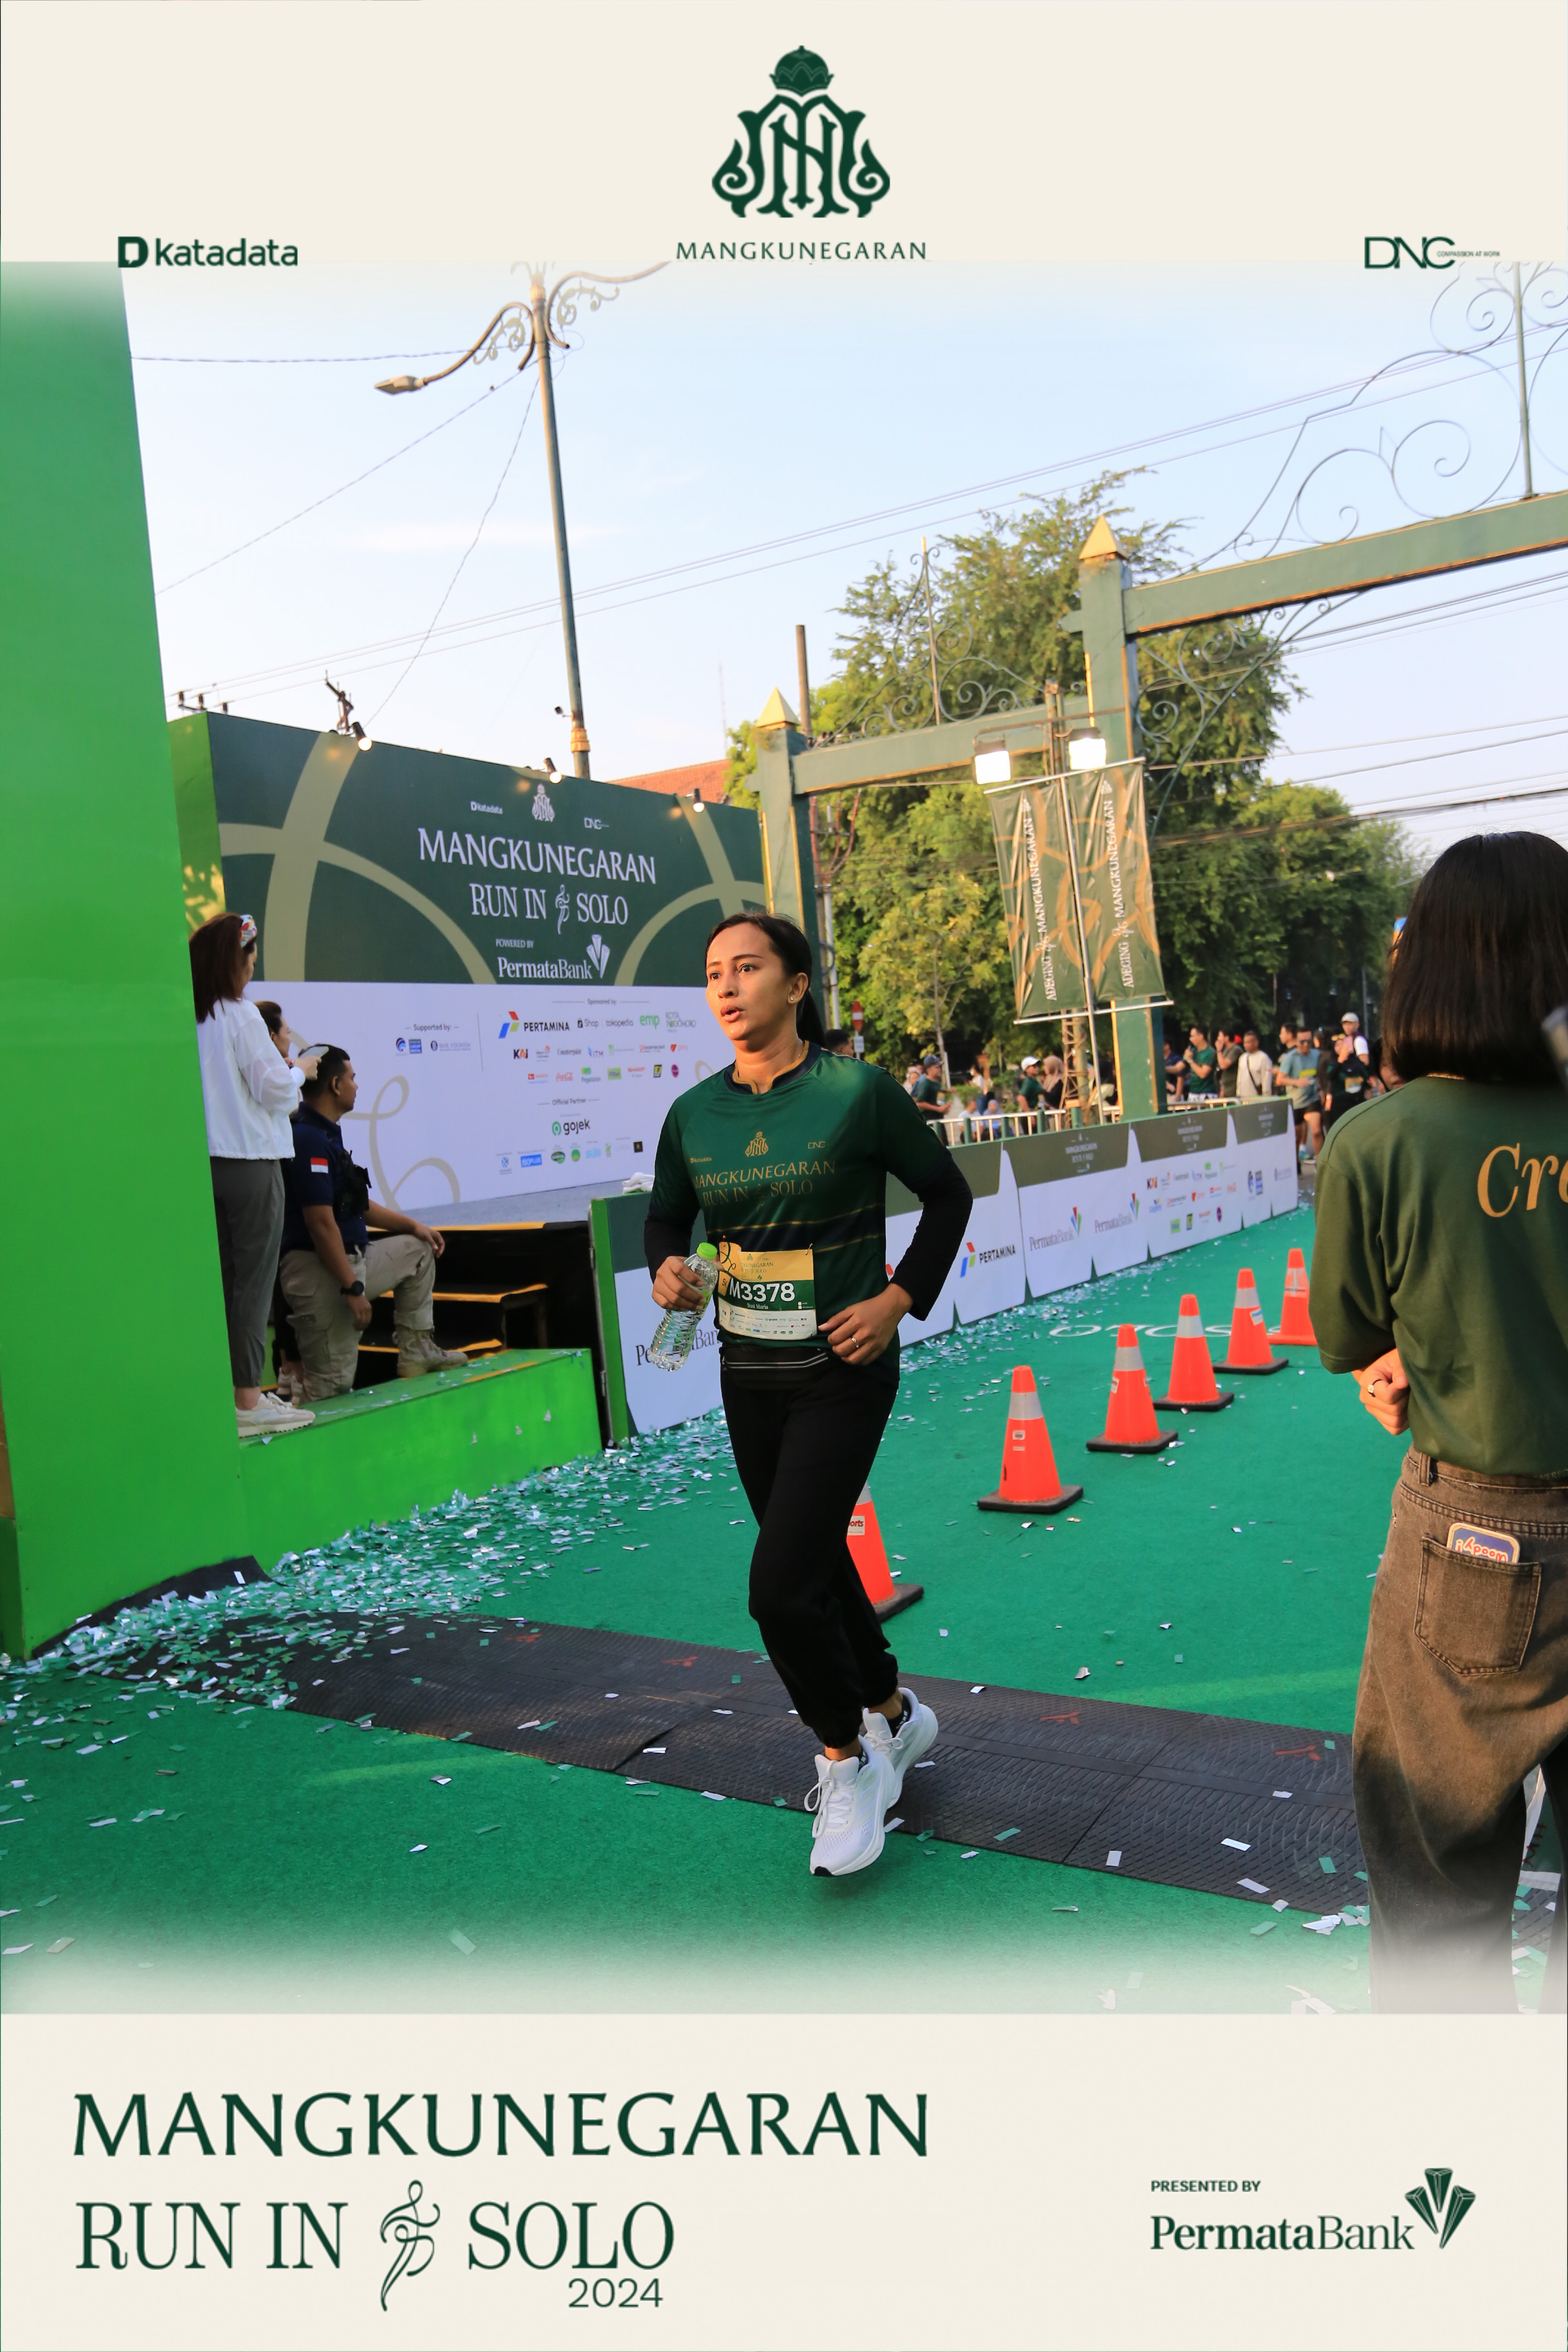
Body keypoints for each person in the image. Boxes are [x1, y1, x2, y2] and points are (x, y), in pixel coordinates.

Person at [645, 914, 972, 1879]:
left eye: (746, 968)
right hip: (748, 1372)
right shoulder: (692, 1114)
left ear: (795, 984)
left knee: (779, 1589)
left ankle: (845, 1758)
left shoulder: (856, 1092)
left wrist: (897, 1300)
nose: (726, 986)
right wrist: (666, 1266)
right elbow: (667, 1216)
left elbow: (948, 1194)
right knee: (816, 1564)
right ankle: (894, 1715)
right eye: (714, 973)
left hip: (844, 1367)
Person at [1311, 832, 1568, 2015]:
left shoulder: (1378, 1140)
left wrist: (1397, 1359)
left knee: (1435, 1894)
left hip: (1478, 1533)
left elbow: (1348, 1333)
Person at [279, 1048, 469, 1400]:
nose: (357, 1085)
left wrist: (413, 1226)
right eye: (352, 1078)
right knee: (330, 1390)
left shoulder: (326, 1133)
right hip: (323, 1273)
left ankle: (417, 1352)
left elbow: (356, 1205)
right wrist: (352, 1288)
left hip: (354, 1263)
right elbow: (320, 1224)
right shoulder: (307, 1138)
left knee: (419, 1250)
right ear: (336, 1085)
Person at [190, 912, 315, 1437]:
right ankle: (247, 1401)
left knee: (225, 1282)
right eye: (249, 959)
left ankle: (232, 1394)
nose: (251, 968)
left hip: (206, 1165)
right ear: (231, 960)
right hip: (251, 1162)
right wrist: (299, 1072)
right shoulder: (240, 1015)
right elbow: (276, 1091)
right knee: (254, 1284)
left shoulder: (191, 1017)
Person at [254, 1001, 308, 1406]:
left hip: (273, 1173)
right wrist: (300, 1073)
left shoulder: (272, 1069)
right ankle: (290, 1369)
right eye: (286, 1031)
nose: (290, 1037)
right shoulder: (271, 1074)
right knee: (278, 1268)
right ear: (271, 1036)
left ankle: (288, 1368)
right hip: (270, 1175)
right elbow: (285, 1103)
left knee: (275, 1272)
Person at [1277, 1024, 1324, 1158]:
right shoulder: (1290, 1058)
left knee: (1317, 1131)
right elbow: (1280, 1080)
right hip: (1296, 1101)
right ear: (1296, 1042)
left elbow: (1320, 1075)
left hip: (1312, 1098)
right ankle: (1296, 1162)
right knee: (1296, 1136)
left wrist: (1321, 1090)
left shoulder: (1316, 1054)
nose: (1306, 1045)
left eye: (1309, 1041)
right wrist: (1297, 1082)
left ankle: (1320, 1163)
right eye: (1302, 1042)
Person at [1320, 1025, 1373, 1131]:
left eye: (1343, 1044)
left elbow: (1366, 1079)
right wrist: (1341, 1060)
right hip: (1341, 1106)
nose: (1342, 1047)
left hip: (1358, 1103)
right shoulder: (1332, 1063)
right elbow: (1331, 1077)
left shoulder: (1356, 1061)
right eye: (1338, 1045)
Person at [1234, 1027, 1275, 1101]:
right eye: (1245, 1043)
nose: (1246, 1045)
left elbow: (1266, 1079)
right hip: (1243, 1098)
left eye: (1248, 1042)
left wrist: (1266, 1096)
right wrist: (1238, 1094)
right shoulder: (1243, 1058)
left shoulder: (1263, 1058)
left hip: (1257, 1098)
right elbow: (1239, 1078)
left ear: (1256, 1043)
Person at [910, 1055, 946, 1122]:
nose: (940, 1069)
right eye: (937, 1067)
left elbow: (939, 1102)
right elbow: (920, 1103)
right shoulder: (926, 1084)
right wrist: (938, 1109)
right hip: (930, 1121)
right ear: (929, 1070)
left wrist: (944, 1108)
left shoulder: (937, 1083)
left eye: (940, 1067)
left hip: (939, 1120)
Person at [1183, 1024, 1218, 1096]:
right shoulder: (1193, 1051)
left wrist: (1190, 1060)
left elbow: (1203, 1074)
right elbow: (1180, 1066)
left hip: (1206, 1093)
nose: (1190, 1039)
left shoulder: (1210, 1052)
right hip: (1193, 1092)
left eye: (1192, 1036)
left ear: (1201, 1036)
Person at [1216, 1028, 1242, 1099]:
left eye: (1220, 1036)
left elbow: (1223, 1065)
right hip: (1226, 1088)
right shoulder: (1225, 1051)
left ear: (1227, 1038)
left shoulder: (1235, 1050)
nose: (1218, 1039)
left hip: (1233, 1088)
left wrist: (1219, 1051)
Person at [1163, 1035, 1187, 1102]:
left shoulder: (1176, 1059)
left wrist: (1177, 1097)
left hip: (1173, 1095)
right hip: (1163, 1096)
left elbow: (1180, 1079)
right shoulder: (1160, 1060)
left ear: (1167, 1046)